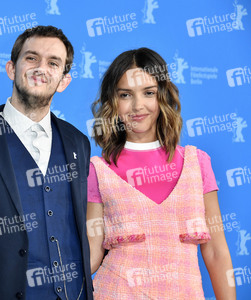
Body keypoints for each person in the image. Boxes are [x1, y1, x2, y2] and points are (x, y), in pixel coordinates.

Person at [86, 47, 236, 299]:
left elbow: (216, 252)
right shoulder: (98, 170)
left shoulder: (196, 163)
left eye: (148, 93)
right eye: (125, 94)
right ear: (113, 101)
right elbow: (91, 252)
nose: (137, 105)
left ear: (163, 95)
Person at [0, 26, 93, 299]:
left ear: (64, 80)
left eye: (53, 62)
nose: (41, 68)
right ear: (12, 68)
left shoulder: (78, 142)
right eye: (31, 58)